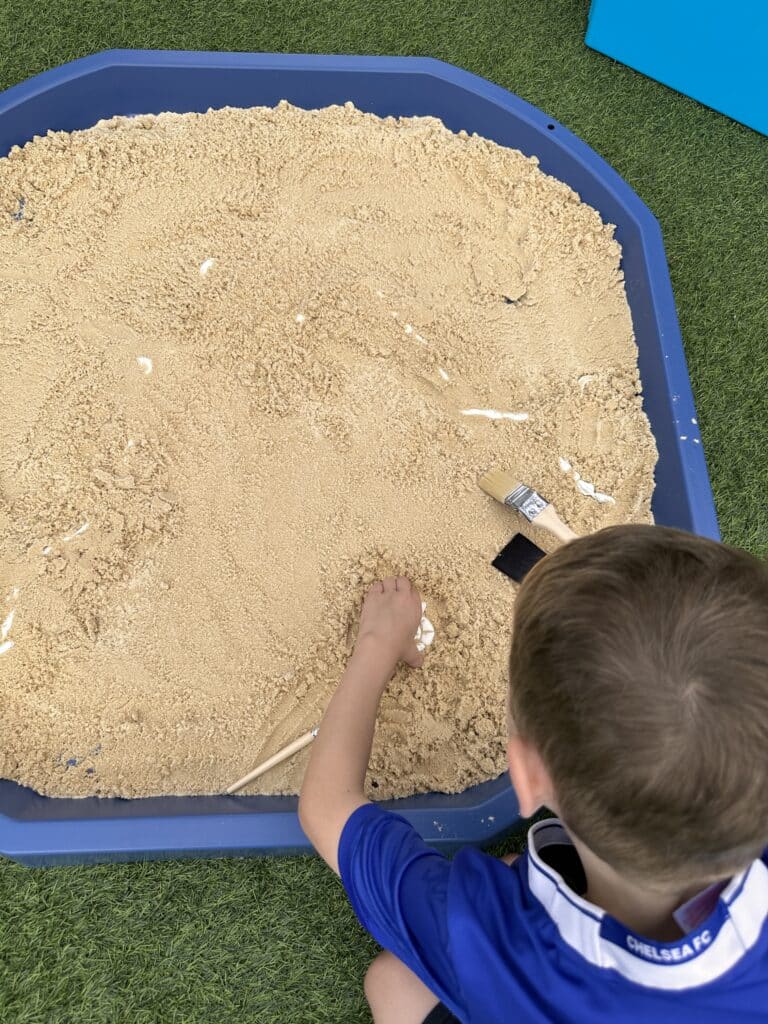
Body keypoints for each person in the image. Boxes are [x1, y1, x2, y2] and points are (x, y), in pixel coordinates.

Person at [298, 524, 768, 1023]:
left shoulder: (485, 934)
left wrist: (376, 644)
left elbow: (327, 807)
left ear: (527, 777)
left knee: (392, 985)